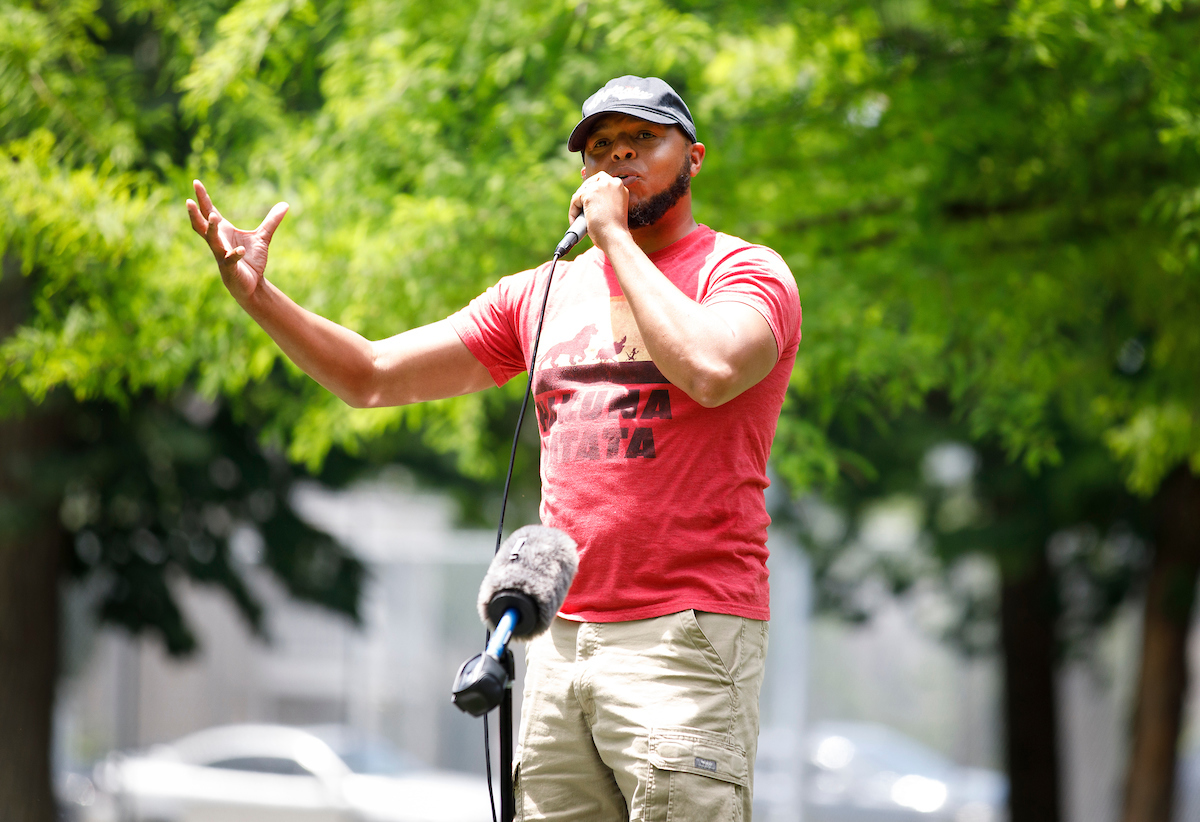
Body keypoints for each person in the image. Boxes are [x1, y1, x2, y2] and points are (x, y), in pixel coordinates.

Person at [188, 75, 801, 822]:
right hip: (557, 641)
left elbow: (710, 369)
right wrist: (258, 296)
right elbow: (370, 375)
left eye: (642, 140)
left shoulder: (743, 273)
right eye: (600, 147)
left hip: (683, 635)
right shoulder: (538, 295)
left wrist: (612, 237)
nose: (618, 157)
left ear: (694, 158)